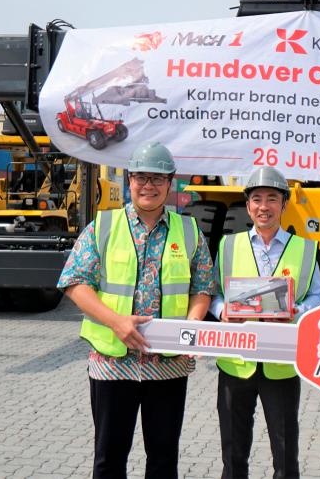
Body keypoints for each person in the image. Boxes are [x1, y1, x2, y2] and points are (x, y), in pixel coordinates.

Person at [58, 141, 215, 479]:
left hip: (168, 367)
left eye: (158, 179)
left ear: (170, 183)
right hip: (113, 364)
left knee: (162, 460)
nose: (149, 186)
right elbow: (75, 282)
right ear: (129, 180)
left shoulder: (188, 232)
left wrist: (190, 328)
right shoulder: (103, 227)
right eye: (141, 177)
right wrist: (116, 322)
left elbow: (202, 287)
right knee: (109, 459)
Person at [209, 166, 320, 479]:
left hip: (282, 362)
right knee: (233, 455)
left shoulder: (304, 249)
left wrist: (297, 311)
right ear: (248, 205)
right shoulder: (228, 245)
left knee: (286, 457)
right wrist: (222, 312)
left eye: (272, 198)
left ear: (284, 204)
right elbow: (214, 294)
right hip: (236, 362)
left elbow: (317, 299)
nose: (264, 206)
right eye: (256, 199)